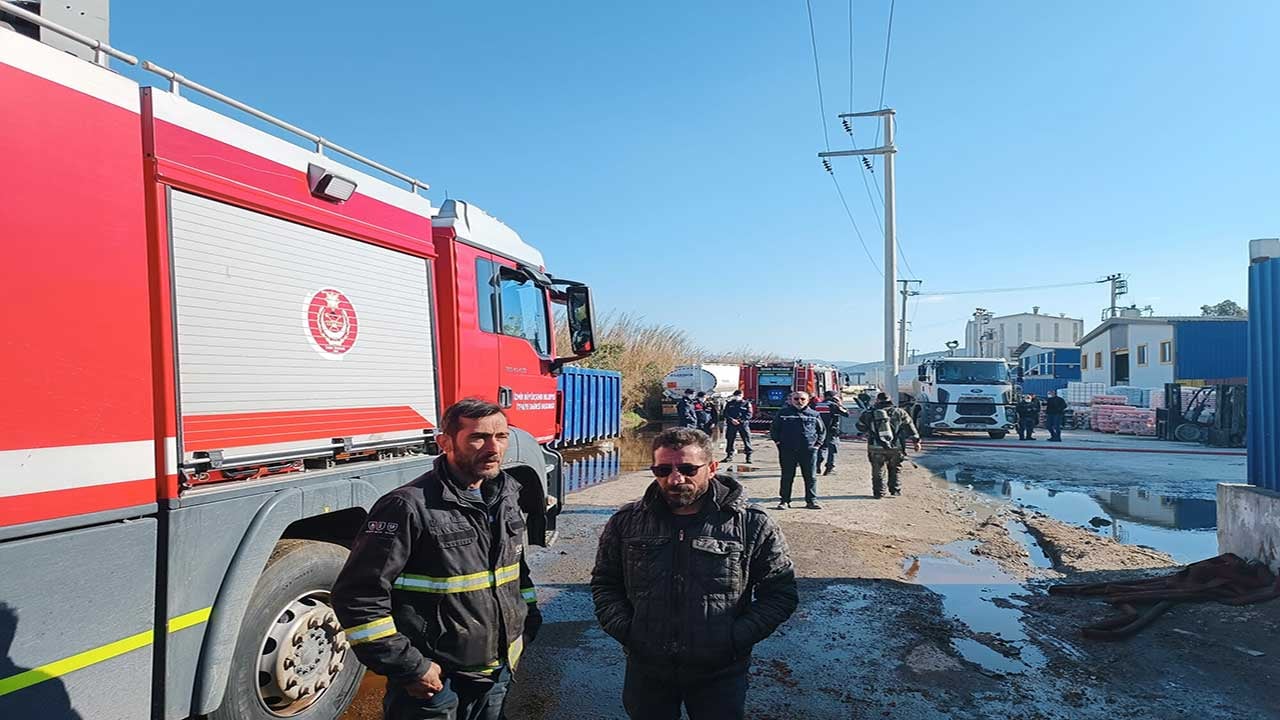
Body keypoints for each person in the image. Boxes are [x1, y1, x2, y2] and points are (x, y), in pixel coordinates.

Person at [332, 399, 540, 720]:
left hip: (496, 676)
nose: (493, 448)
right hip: (435, 684)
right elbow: (358, 597)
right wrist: (410, 667)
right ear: (445, 442)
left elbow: (515, 572)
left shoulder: (506, 496)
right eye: (478, 437)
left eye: (501, 436)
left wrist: (528, 624)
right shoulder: (406, 506)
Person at [591, 428, 798, 720]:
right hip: (647, 670)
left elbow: (780, 593)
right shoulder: (626, 522)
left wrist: (734, 639)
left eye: (688, 469)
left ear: (712, 468)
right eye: (663, 470)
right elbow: (605, 584)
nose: (675, 480)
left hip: (720, 672)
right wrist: (629, 632)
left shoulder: (752, 524)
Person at [856, 393, 921, 499]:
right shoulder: (900, 412)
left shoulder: (868, 413)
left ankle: (879, 492)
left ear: (877, 400)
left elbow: (860, 426)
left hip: (875, 447)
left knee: (877, 470)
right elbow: (910, 427)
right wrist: (916, 441)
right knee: (895, 468)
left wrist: (870, 428)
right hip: (896, 447)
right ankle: (895, 490)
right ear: (890, 400)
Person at [769, 391, 826, 510]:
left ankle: (811, 501)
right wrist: (778, 443)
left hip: (808, 450)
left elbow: (822, 431)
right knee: (787, 476)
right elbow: (774, 429)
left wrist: (817, 445)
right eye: (796, 399)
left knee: (810, 477)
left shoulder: (814, 414)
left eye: (802, 399)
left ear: (808, 400)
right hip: (788, 450)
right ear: (791, 400)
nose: (799, 401)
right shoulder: (783, 413)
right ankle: (784, 501)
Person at [816, 390, 849, 476]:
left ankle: (817, 465)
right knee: (832, 449)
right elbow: (846, 414)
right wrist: (840, 404)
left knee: (821, 448)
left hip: (819, 431)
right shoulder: (833, 405)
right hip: (831, 431)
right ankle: (829, 468)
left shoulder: (817, 405)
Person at [721, 389, 754, 464]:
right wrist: (732, 420)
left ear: (742, 396)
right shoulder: (730, 403)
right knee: (730, 439)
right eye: (736, 395)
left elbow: (749, 414)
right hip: (731, 424)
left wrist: (740, 420)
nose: (737, 397)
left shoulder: (746, 403)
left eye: (739, 395)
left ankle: (748, 456)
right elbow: (725, 413)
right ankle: (729, 456)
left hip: (743, 424)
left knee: (746, 439)